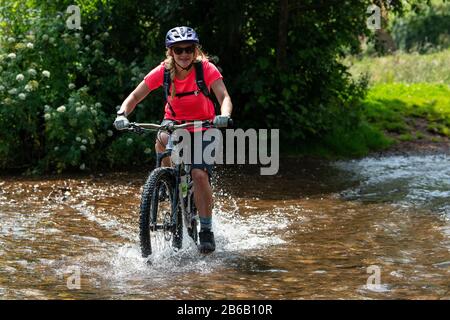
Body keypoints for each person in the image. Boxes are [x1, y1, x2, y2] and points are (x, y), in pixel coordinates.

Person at [114, 26, 233, 253]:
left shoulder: (206, 69)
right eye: (179, 50)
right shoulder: (163, 72)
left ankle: (206, 230)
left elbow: (224, 96)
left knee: (198, 174)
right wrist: (122, 114)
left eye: (189, 49)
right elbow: (136, 96)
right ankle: (166, 180)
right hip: (175, 124)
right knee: (161, 137)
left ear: (195, 50)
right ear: (171, 52)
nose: (184, 54)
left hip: (204, 127)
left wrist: (224, 116)